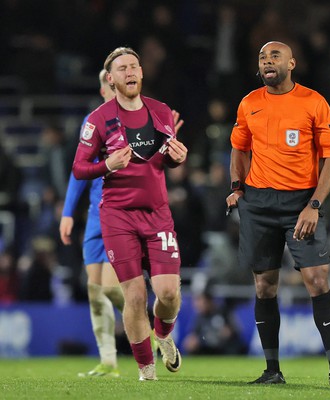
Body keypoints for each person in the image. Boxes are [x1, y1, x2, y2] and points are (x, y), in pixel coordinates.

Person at [226, 41, 330, 386]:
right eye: (261, 56)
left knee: (317, 280)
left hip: (301, 202)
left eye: (274, 55)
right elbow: (239, 148)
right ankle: (272, 371)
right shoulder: (249, 103)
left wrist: (314, 205)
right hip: (258, 203)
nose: (266, 61)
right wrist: (236, 186)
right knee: (264, 286)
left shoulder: (313, 102)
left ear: (292, 63)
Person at [72, 47, 187, 381]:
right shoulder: (97, 119)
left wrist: (177, 158)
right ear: (111, 78)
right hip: (118, 216)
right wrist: (107, 164)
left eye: (134, 66)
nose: (130, 71)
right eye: (122, 68)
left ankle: (163, 334)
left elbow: (165, 159)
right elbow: (79, 168)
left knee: (167, 293)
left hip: (157, 214)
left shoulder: (161, 111)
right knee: (135, 295)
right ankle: (146, 373)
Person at [59, 69, 124, 377]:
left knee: (112, 290)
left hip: (122, 214)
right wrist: (69, 212)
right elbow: (78, 170)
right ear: (103, 90)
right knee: (95, 289)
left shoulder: (138, 120)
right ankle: (108, 361)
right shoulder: (93, 122)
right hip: (96, 216)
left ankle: (157, 331)